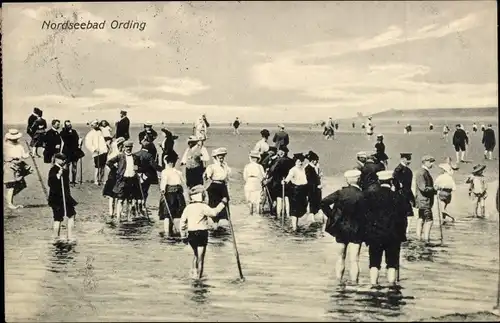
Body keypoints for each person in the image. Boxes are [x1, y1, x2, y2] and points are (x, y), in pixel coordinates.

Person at [320, 169, 366, 284]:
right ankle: (354, 283)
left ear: (347, 180)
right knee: (354, 259)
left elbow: (323, 202)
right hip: (357, 228)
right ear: (358, 179)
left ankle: (339, 282)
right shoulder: (362, 194)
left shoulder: (340, 193)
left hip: (341, 228)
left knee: (340, 257)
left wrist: (332, 216)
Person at [364, 170, 407, 287]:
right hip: (393, 236)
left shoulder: (371, 197)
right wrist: (402, 234)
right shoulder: (398, 197)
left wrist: (367, 235)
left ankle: (373, 285)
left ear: (379, 181)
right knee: (392, 264)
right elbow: (403, 219)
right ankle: (391, 287)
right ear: (391, 181)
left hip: (375, 235)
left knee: (374, 262)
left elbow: (366, 217)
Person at [179, 185, 228, 279]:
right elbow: (214, 213)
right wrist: (222, 203)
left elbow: (182, 222)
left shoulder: (188, 208)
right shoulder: (203, 206)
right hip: (201, 233)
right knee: (201, 258)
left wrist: (183, 236)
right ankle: (199, 278)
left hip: (191, 233)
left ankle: (193, 273)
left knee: (195, 255)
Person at [106, 140, 141, 221]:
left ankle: (129, 217)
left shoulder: (135, 157)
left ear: (132, 148)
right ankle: (118, 218)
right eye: (127, 147)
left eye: (130, 147)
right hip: (122, 180)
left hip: (131, 180)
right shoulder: (120, 156)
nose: (128, 149)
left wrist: (137, 169)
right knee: (120, 200)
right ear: (124, 147)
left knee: (130, 200)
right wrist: (116, 170)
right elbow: (109, 162)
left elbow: (138, 167)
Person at [48, 153, 78, 244]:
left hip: (65, 197)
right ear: (57, 160)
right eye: (62, 159)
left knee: (71, 214)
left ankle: (68, 236)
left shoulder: (64, 170)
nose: (64, 161)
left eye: (64, 160)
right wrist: (58, 175)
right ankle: (57, 237)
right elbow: (50, 183)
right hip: (57, 198)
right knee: (58, 218)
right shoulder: (53, 170)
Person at [159, 152, 187, 238]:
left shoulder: (165, 172)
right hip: (178, 194)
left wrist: (162, 189)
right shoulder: (178, 172)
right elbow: (184, 183)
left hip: (169, 194)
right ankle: (178, 231)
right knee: (177, 214)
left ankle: (167, 232)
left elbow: (164, 182)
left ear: (167, 162)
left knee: (167, 214)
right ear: (174, 162)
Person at [4, 129, 32, 209]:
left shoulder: (19, 145)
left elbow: (24, 155)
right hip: (9, 166)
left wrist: (28, 154)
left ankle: (9, 200)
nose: (14, 139)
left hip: (19, 166)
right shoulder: (5, 146)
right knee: (11, 185)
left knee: (21, 184)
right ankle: (10, 203)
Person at [204, 147, 231, 231]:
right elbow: (207, 178)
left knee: (225, 206)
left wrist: (228, 189)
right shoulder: (211, 167)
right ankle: (214, 226)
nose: (221, 158)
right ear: (215, 157)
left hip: (223, 187)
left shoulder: (225, 166)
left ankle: (223, 227)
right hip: (214, 188)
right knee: (214, 206)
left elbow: (227, 178)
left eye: (223, 156)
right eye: (220, 156)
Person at [283, 153, 309, 232]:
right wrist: (284, 181)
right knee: (294, 209)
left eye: (301, 161)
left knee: (301, 208)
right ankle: (294, 227)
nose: (300, 163)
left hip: (303, 190)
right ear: (295, 161)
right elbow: (288, 179)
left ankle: (295, 226)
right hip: (295, 191)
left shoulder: (303, 169)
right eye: (298, 161)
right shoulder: (293, 170)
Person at [135, 140, 162, 214]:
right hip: (146, 177)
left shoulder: (135, 154)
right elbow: (154, 166)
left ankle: (137, 206)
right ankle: (142, 206)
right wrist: (163, 169)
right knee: (145, 192)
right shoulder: (149, 155)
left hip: (137, 176)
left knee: (137, 191)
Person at [267, 146, 294, 218]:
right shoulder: (291, 161)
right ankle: (288, 215)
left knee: (279, 199)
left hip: (278, 182)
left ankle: (279, 215)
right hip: (288, 182)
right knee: (287, 199)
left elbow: (272, 171)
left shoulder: (278, 161)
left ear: (282, 152)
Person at [103, 137, 126, 222]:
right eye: (122, 145)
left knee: (118, 196)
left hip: (118, 176)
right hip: (113, 176)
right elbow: (109, 163)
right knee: (112, 196)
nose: (123, 147)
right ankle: (111, 212)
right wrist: (114, 167)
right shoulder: (115, 153)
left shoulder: (120, 153)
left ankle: (116, 212)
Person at [415, 155, 437, 243]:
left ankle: (419, 238)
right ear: (425, 162)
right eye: (431, 162)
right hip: (424, 200)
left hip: (422, 200)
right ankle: (426, 239)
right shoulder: (422, 172)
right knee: (429, 220)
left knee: (421, 218)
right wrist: (435, 188)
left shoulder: (423, 172)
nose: (432, 164)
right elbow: (423, 188)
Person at [393, 153, 416, 235]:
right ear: (403, 159)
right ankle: (403, 232)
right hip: (400, 195)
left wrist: (412, 198)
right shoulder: (398, 170)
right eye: (407, 159)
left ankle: (405, 232)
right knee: (404, 214)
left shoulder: (408, 170)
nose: (409, 161)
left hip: (406, 195)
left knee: (408, 214)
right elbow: (395, 182)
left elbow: (408, 187)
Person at [84, 120, 109, 185]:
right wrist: (94, 149)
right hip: (96, 152)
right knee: (97, 167)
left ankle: (102, 180)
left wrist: (106, 147)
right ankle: (96, 180)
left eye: (97, 124)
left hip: (103, 151)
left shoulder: (100, 132)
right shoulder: (90, 134)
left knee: (103, 166)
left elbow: (104, 140)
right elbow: (88, 144)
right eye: (95, 124)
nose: (97, 125)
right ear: (92, 125)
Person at [60, 120, 85, 184]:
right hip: (67, 151)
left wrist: (80, 142)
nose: (69, 126)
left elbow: (76, 139)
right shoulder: (62, 132)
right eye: (68, 125)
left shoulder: (74, 131)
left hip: (75, 151)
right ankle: (67, 179)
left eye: (70, 125)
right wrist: (68, 132)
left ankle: (73, 180)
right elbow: (66, 140)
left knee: (74, 165)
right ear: (65, 126)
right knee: (67, 166)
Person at [243, 150, 266, 215]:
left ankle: (251, 214)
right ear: (258, 159)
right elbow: (263, 176)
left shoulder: (247, 166)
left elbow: (245, 177)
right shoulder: (259, 166)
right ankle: (258, 216)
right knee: (258, 201)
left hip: (249, 182)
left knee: (250, 200)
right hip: (257, 183)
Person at [305, 151, 323, 218]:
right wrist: (318, 178)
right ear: (313, 160)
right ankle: (312, 217)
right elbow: (309, 179)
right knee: (312, 202)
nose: (317, 162)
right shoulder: (308, 168)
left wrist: (319, 176)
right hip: (312, 188)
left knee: (317, 201)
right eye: (316, 160)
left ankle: (315, 216)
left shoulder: (315, 167)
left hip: (316, 188)